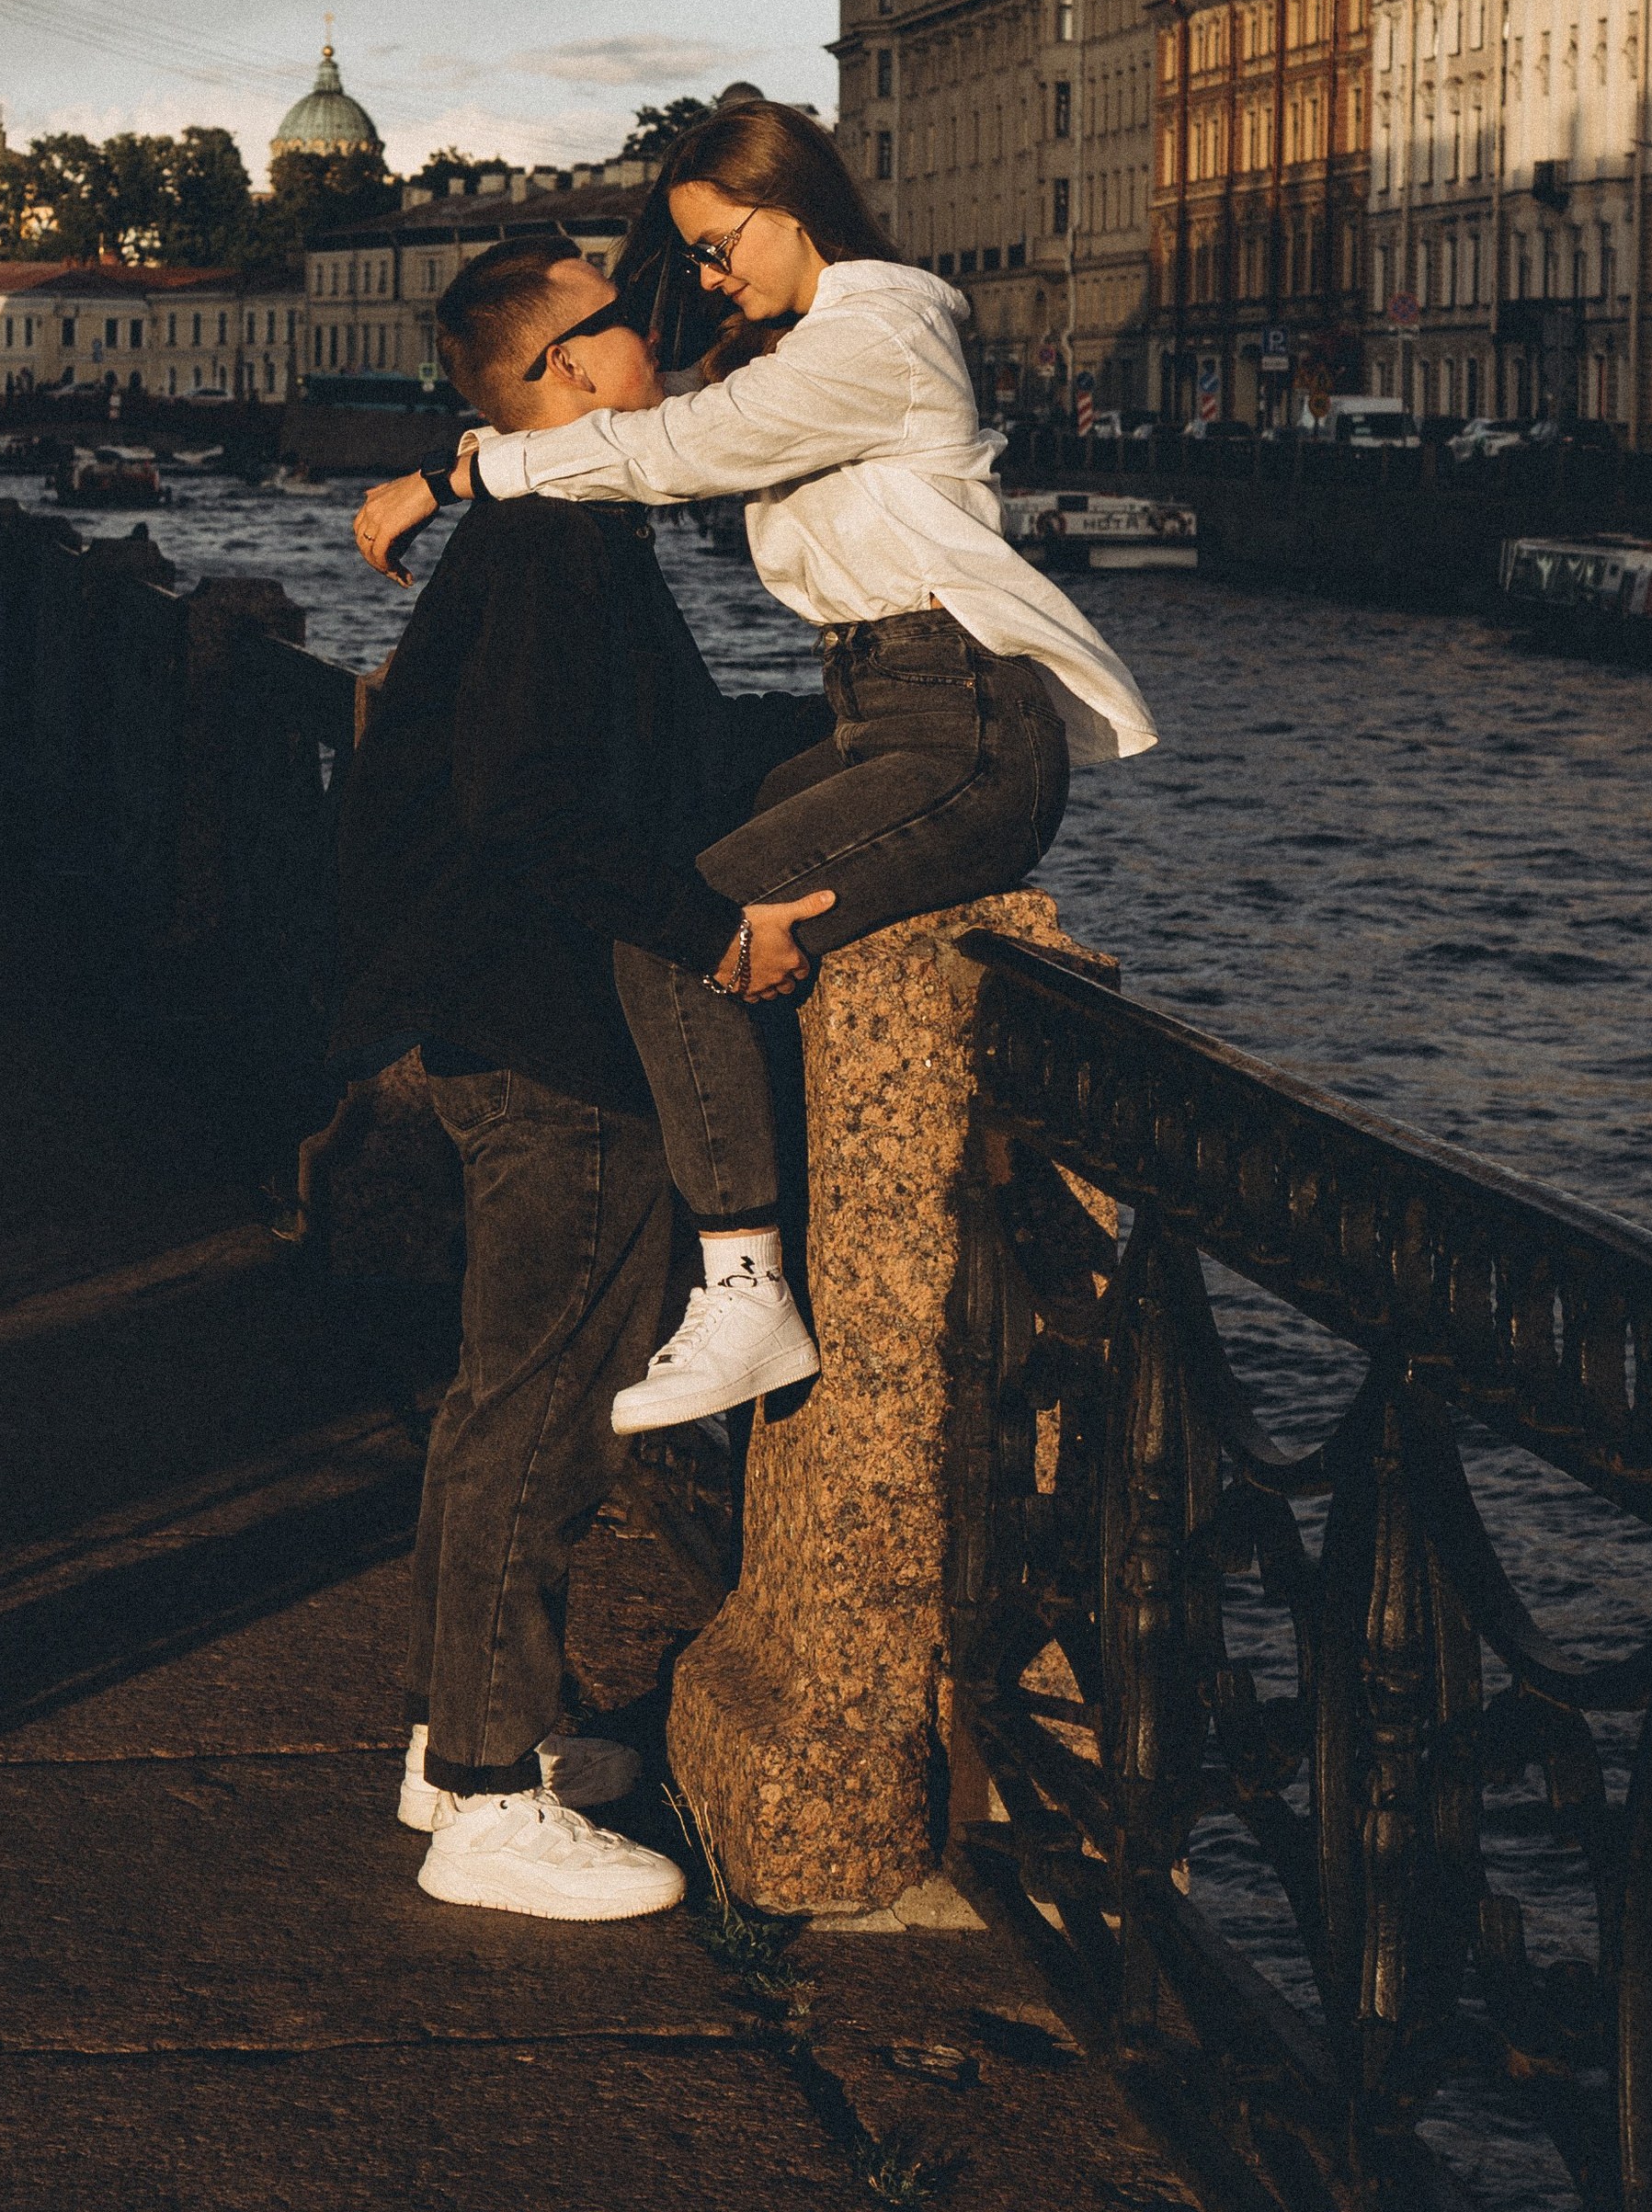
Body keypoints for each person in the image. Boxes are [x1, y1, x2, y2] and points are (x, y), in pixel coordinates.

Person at [353, 97, 1156, 1437]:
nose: (709, 282)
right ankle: (737, 1252)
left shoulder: (880, 329)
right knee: (693, 900)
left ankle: (744, 1286)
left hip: (959, 724)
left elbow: (674, 453)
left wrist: (453, 481)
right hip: (888, 706)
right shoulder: (810, 348)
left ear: (790, 210)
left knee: (686, 935)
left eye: (720, 248)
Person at [333, 228, 833, 1921]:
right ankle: (484, 1797)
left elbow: (614, 763)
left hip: (504, 1011)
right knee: (537, 1408)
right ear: (561, 372)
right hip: (564, 1029)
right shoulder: (554, 543)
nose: (660, 341)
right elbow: (538, 804)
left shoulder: (538, 520)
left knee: (505, 1397)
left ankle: (468, 1735)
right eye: (626, 325)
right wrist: (710, 931)